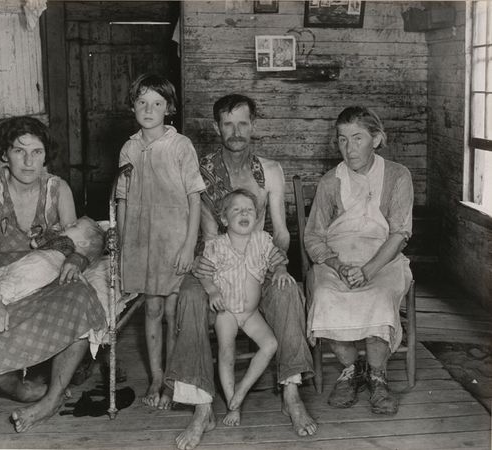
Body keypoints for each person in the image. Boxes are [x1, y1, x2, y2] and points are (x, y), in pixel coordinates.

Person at [165, 94, 317, 450]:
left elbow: (280, 231)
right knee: (188, 296)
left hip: (259, 260)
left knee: (288, 290)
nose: (236, 132)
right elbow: (205, 233)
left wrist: (277, 264)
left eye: (243, 123)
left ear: (253, 126)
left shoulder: (270, 171)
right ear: (217, 127)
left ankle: (291, 393)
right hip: (214, 260)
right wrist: (206, 268)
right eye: (228, 124)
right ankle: (202, 406)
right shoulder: (201, 170)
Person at [0, 116, 106, 433]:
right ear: (5, 153)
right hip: (5, 283)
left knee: (81, 297)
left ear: (46, 155)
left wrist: (76, 260)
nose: (29, 161)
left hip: (47, 276)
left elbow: (78, 242)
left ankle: (49, 401)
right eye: (19, 151)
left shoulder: (59, 189)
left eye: (37, 151)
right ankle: (34, 391)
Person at [304, 106, 414, 416]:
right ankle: (350, 371)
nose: (349, 148)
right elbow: (313, 237)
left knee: (379, 294)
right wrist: (338, 266)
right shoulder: (330, 182)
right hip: (337, 259)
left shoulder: (397, 175)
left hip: (384, 258)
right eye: (342, 140)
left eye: (358, 138)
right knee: (326, 294)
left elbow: (400, 233)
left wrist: (367, 271)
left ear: (376, 139)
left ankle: (377, 375)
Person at [116, 74, 205, 410]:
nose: (148, 109)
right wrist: (125, 245)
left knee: (172, 310)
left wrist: (188, 246)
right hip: (142, 243)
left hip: (173, 242)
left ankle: (172, 377)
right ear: (133, 107)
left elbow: (195, 198)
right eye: (142, 102)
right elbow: (122, 200)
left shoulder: (181, 146)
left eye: (156, 103)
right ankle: (155, 375)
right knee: (151, 308)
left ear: (169, 108)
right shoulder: (129, 147)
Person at [0, 216, 104, 368]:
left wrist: (51, 236)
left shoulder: (69, 250)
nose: (70, 223)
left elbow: (72, 261)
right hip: (17, 268)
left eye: (75, 226)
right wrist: (40, 234)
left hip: (27, 276)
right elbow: (35, 244)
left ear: (83, 243)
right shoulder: (62, 242)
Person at [201, 188, 297, 427]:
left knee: (271, 344)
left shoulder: (262, 240)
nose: (244, 213)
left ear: (256, 217)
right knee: (226, 352)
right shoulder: (217, 245)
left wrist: (281, 270)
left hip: (251, 313)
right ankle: (234, 407)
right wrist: (212, 290)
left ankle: (241, 390)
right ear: (224, 219)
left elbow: (278, 259)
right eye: (237, 210)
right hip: (227, 313)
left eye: (249, 210)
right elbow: (203, 273)